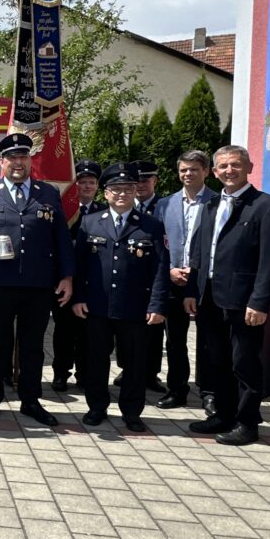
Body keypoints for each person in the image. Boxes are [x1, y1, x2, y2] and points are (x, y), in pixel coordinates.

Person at [0, 133, 74, 426]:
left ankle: (30, 401)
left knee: (33, 346)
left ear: (30, 160)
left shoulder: (47, 193)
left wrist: (66, 275)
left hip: (38, 285)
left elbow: (60, 236)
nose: (18, 162)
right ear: (2, 162)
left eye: (23, 157)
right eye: (11, 158)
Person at [185, 145, 270, 445]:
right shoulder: (211, 206)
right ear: (214, 172)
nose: (229, 171)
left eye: (235, 165)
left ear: (249, 167)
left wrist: (259, 301)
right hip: (209, 299)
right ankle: (223, 415)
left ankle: (247, 422)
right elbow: (199, 253)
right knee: (216, 361)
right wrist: (192, 290)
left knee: (244, 363)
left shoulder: (267, 207)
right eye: (223, 166)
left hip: (244, 302)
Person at [72, 164, 169, 432]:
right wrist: (78, 297)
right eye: (116, 189)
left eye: (128, 189)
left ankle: (132, 411)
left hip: (135, 308)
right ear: (106, 193)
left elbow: (160, 268)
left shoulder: (151, 225)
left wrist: (157, 305)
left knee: (135, 364)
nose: (122, 194)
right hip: (97, 306)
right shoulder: (91, 222)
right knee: (95, 362)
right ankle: (96, 407)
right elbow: (78, 265)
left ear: (135, 192)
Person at [153, 151, 217, 411]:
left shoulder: (217, 202)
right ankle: (177, 389)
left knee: (208, 340)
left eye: (193, 169)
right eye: (183, 170)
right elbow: (157, 243)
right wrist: (169, 269)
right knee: (175, 340)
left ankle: (210, 392)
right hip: (173, 281)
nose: (188, 174)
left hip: (204, 282)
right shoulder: (164, 204)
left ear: (206, 172)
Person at [50, 160, 104, 392]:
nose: (86, 186)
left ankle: (84, 374)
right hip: (63, 278)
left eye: (91, 183)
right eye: (82, 182)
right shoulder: (62, 209)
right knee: (63, 330)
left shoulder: (104, 211)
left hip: (92, 281)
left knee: (87, 332)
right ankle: (61, 373)